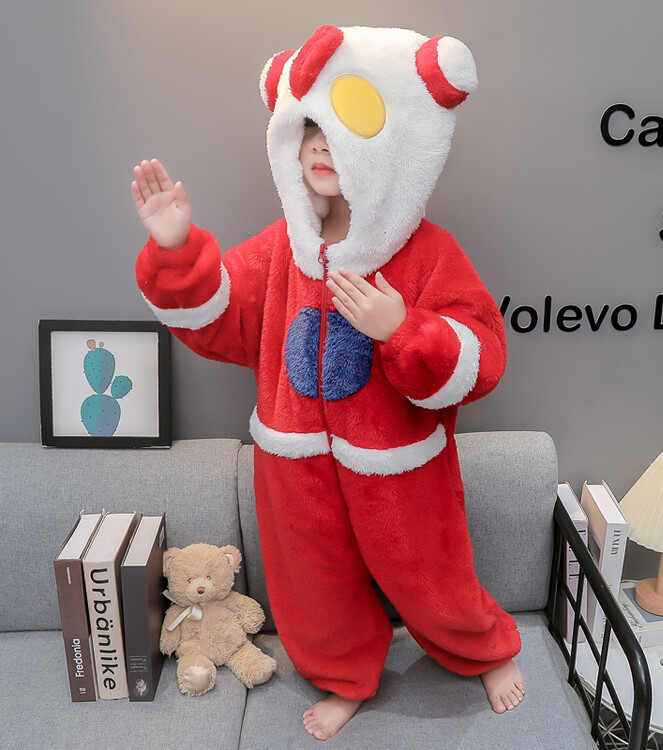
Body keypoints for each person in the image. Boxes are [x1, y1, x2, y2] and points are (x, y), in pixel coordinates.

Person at [132, 25, 525, 742]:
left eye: (340, 134)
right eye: (308, 130)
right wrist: (178, 251)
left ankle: (487, 651)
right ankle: (345, 678)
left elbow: (483, 354)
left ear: (387, 151)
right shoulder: (282, 249)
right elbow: (222, 317)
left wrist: (402, 329)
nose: (319, 146)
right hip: (295, 463)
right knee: (314, 587)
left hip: (398, 465)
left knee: (432, 578)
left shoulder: (427, 254)